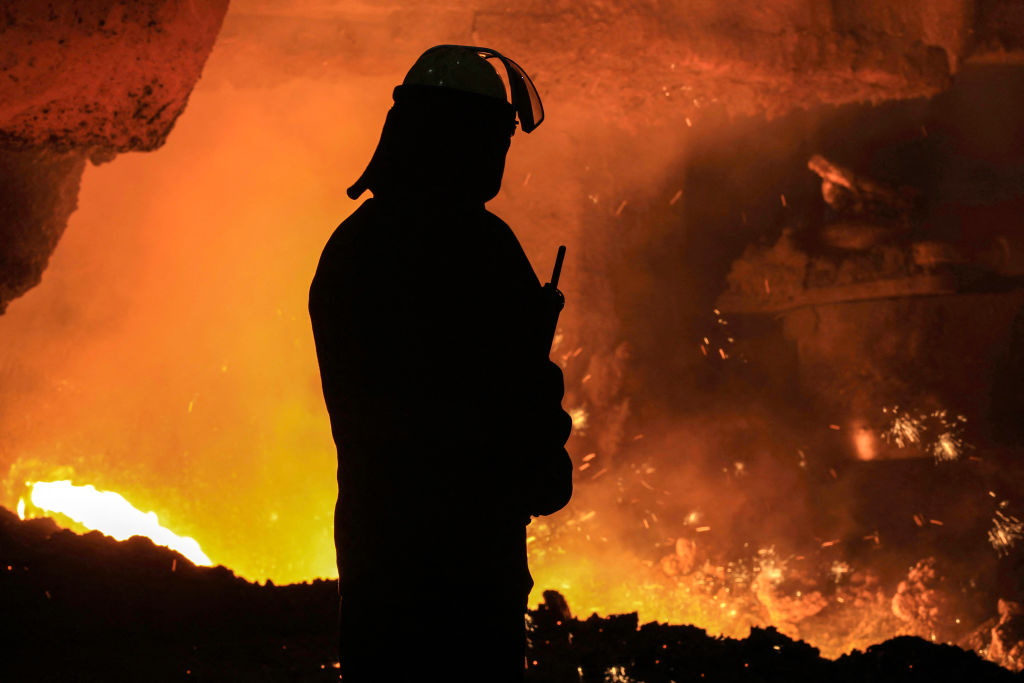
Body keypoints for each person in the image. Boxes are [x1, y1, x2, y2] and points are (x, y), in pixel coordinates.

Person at [308, 45, 573, 682]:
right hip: (467, 558)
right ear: (465, 137)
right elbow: (501, 400)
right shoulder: (477, 246)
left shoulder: (353, 245)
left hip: (377, 545)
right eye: (495, 136)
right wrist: (541, 462)